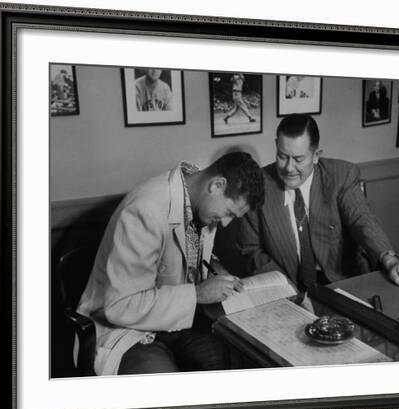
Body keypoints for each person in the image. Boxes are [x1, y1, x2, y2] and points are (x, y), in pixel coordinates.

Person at [76, 152, 265, 375]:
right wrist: (198, 294)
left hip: (174, 324)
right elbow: (120, 306)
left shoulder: (200, 203)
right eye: (228, 213)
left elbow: (183, 255)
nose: (225, 223)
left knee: (235, 363)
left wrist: (216, 271)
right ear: (216, 185)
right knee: (168, 390)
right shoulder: (145, 209)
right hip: (124, 330)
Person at [239, 114, 399, 298]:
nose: (289, 168)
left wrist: (390, 260)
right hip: (287, 290)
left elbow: (361, 219)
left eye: (298, 159)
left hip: (341, 284)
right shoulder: (259, 185)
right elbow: (251, 250)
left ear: (316, 156)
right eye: (282, 156)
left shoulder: (341, 175)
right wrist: (285, 288)